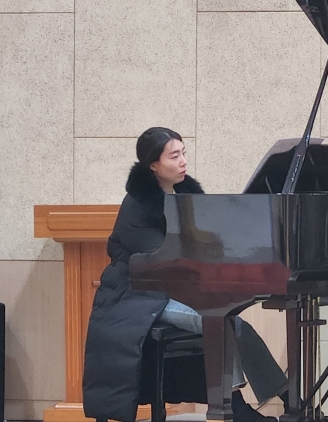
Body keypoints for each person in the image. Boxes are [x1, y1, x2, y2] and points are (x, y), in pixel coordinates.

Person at [82, 127, 287, 422]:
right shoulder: (137, 205)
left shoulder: (185, 194)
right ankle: (237, 406)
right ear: (154, 164)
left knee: (231, 321)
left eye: (183, 153)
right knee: (224, 322)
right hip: (138, 296)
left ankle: (284, 396)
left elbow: (206, 243)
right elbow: (161, 262)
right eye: (174, 156)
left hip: (175, 290)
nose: (183, 161)